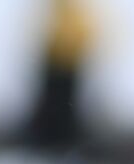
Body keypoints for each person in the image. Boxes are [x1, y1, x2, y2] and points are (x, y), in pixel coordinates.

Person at [21, 0, 98, 152]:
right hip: (58, 65)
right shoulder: (61, 10)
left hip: (65, 67)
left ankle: (60, 145)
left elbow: (83, 34)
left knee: (62, 110)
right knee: (59, 110)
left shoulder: (70, 11)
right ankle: (56, 144)